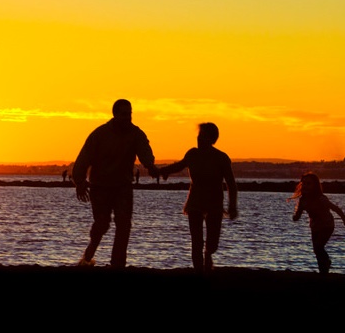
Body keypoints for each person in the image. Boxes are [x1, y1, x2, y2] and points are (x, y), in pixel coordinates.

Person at [71, 99, 160, 268]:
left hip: (123, 187)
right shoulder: (100, 134)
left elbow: (145, 153)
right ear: (115, 115)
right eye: (124, 114)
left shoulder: (136, 134)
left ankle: (118, 264)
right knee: (102, 224)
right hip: (100, 187)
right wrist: (80, 182)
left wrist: (151, 166)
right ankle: (90, 252)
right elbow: (83, 159)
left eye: (130, 114)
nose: (128, 117)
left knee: (124, 225)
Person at [158, 122, 237, 273]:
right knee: (196, 241)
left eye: (203, 136)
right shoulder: (192, 154)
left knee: (212, 243)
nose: (199, 139)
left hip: (214, 203)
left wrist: (232, 206)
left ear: (212, 139)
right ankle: (198, 273)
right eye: (199, 136)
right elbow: (179, 166)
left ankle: (208, 255)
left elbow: (231, 184)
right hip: (195, 201)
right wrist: (162, 171)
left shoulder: (221, 158)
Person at [289, 172, 345, 275]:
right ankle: (323, 271)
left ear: (315, 186)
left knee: (318, 247)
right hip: (315, 226)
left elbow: (335, 208)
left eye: (309, 184)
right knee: (316, 250)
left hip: (327, 225)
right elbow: (298, 214)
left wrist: (344, 220)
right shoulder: (303, 200)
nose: (305, 186)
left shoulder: (321, 199)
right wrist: (295, 217)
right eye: (304, 183)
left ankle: (326, 263)